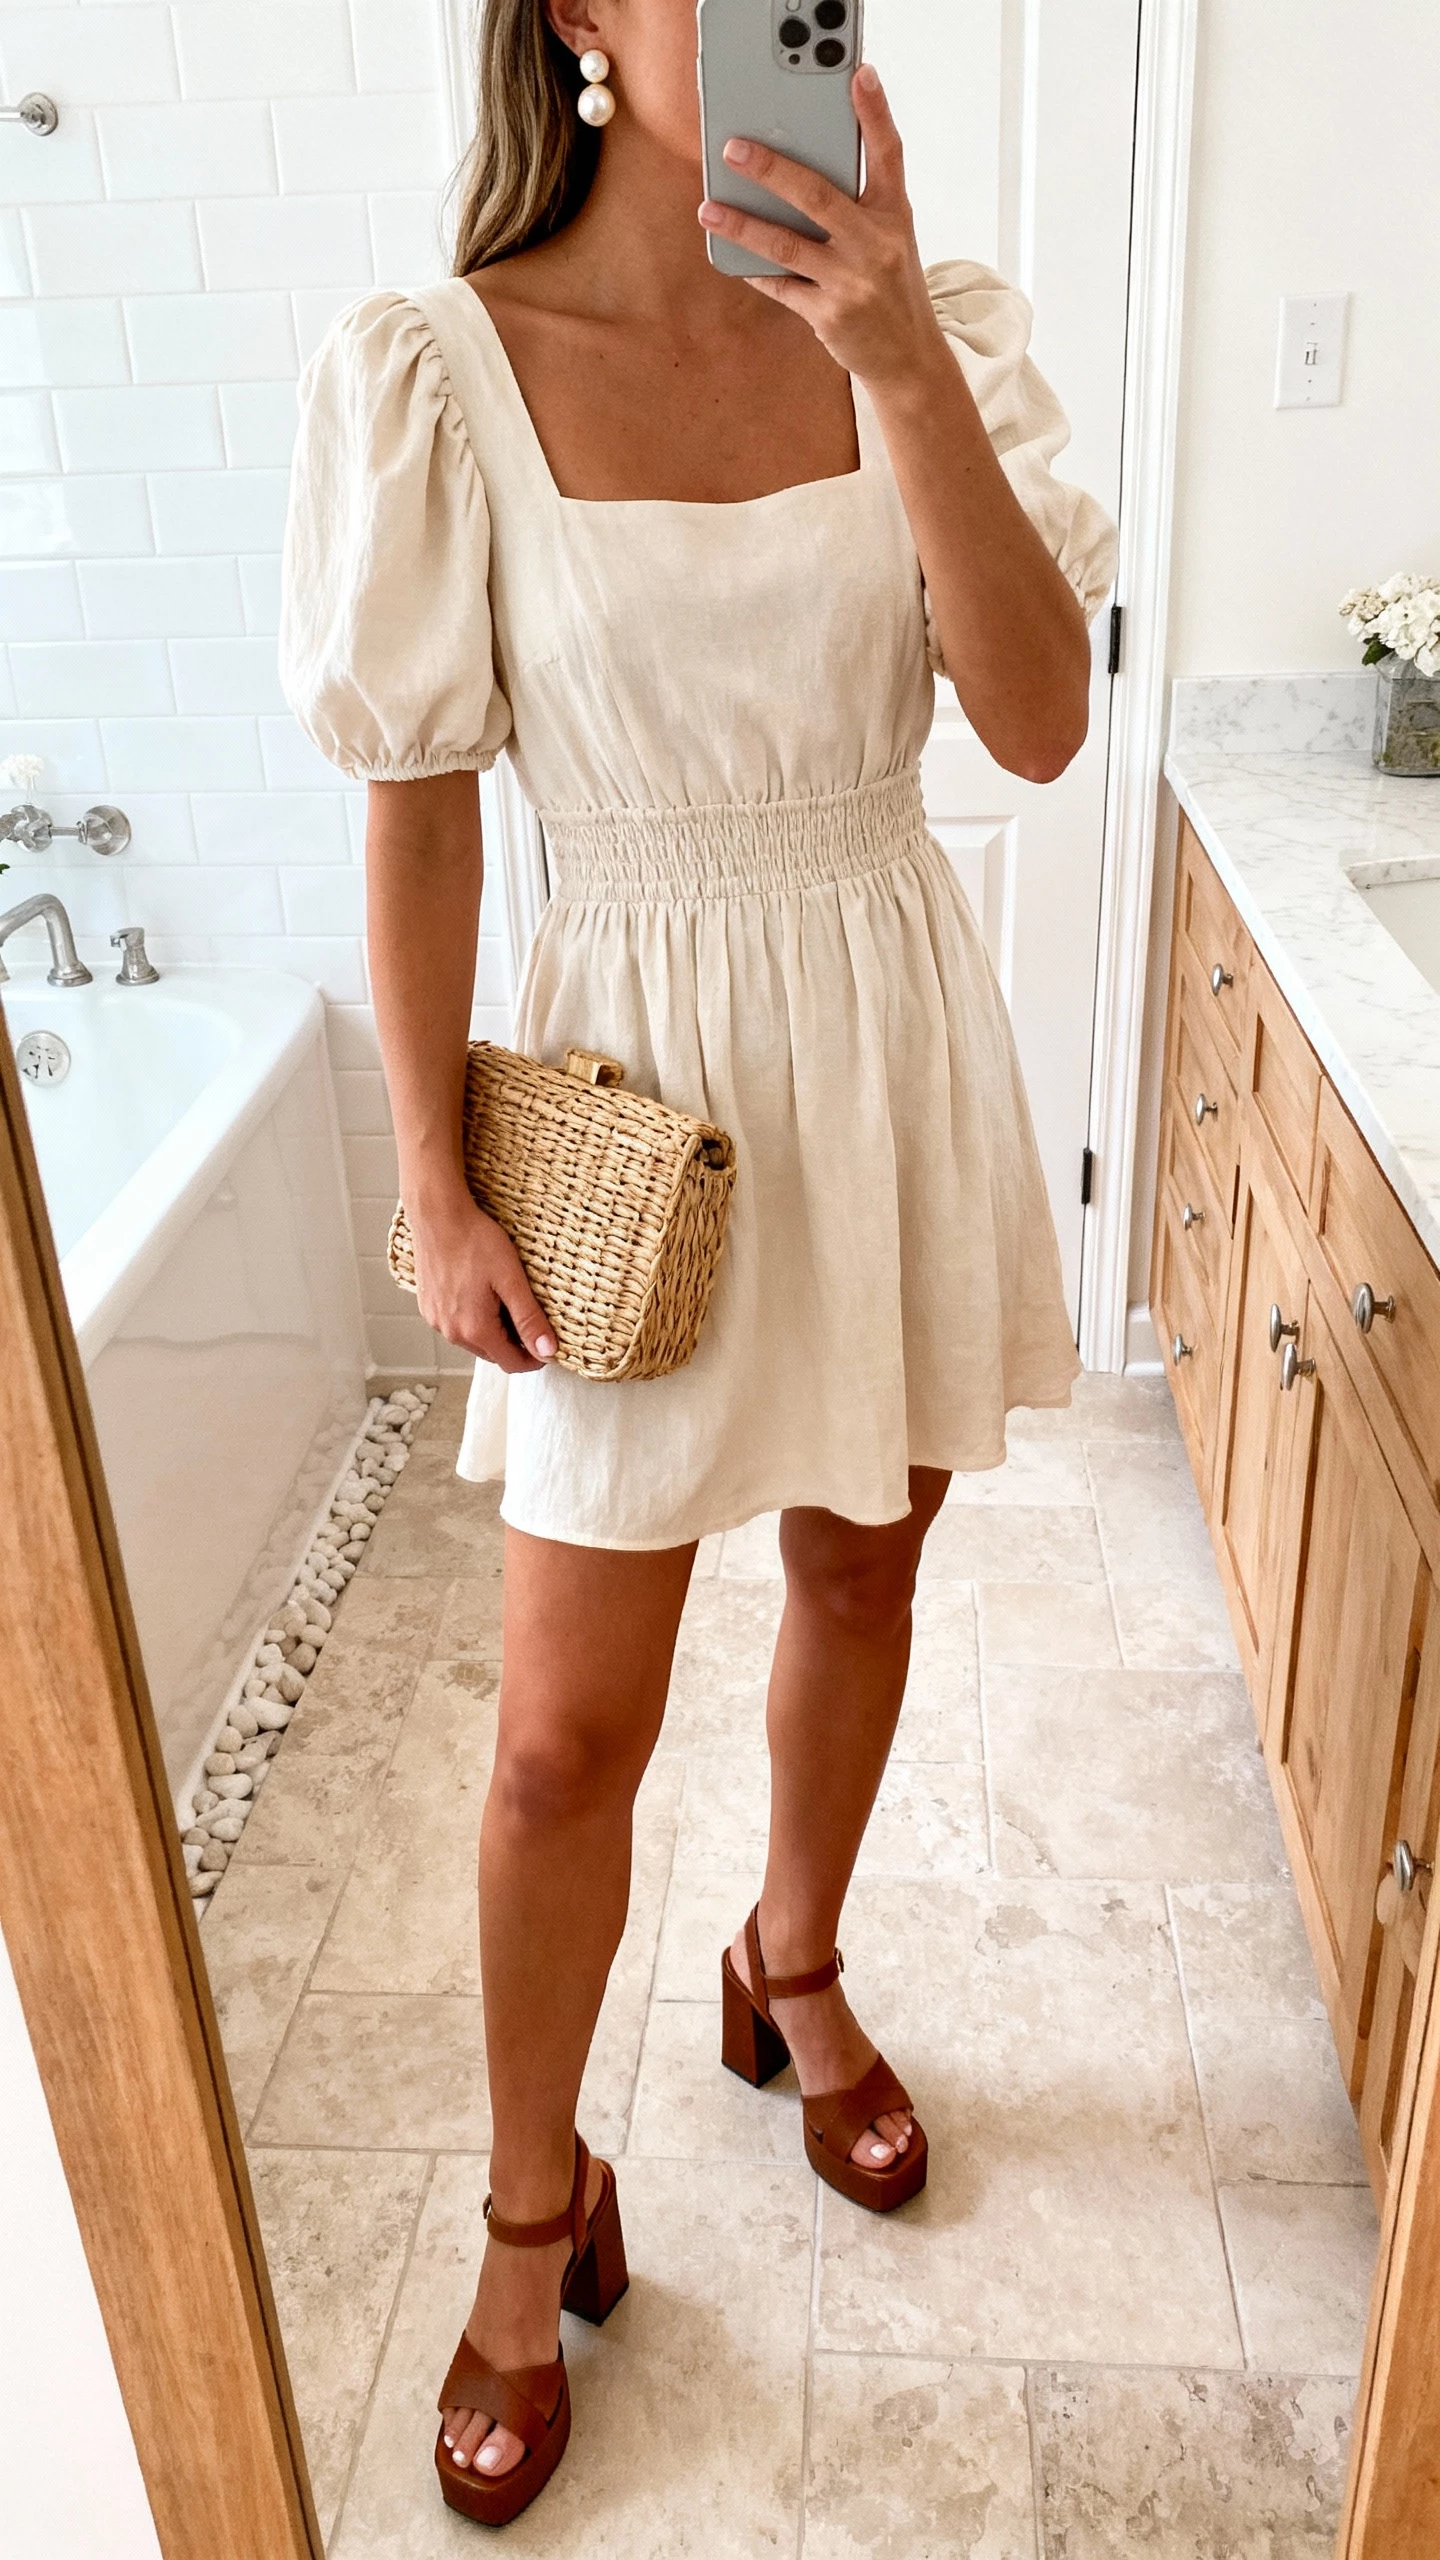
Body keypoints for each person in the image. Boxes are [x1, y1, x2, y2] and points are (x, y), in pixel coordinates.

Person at [280, 0, 1116, 2525]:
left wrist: (882, 350)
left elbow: (1045, 723)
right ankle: (541, 2208)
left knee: (864, 1567)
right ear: (568, 20)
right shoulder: (443, 366)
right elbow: (420, 815)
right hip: (629, 1087)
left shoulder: (931, 325)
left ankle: (795, 1956)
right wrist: (434, 1185)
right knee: (555, 1736)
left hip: (883, 1025)